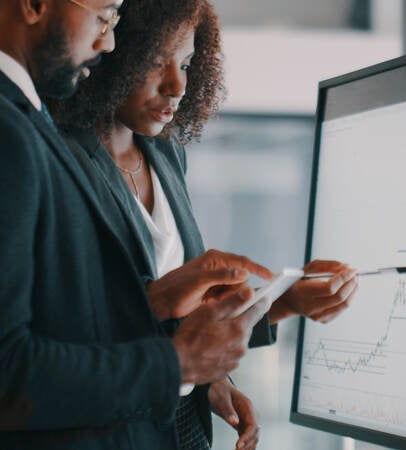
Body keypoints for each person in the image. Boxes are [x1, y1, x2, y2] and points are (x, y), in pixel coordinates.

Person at [48, 0, 360, 449]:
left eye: (187, 62)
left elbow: (185, 319)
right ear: (111, 50)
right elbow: (89, 326)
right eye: (157, 61)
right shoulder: (60, 160)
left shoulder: (166, 155)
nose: (177, 85)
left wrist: (282, 307)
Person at [0, 0, 275, 449]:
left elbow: (64, 316)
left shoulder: (31, 125)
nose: (107, 41)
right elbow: (12, 368)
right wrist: (178, 363)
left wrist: (165, 306)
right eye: (105, 14)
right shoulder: (15, 133)